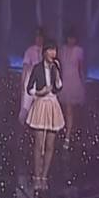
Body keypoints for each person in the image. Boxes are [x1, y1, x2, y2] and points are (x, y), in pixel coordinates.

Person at [26, 40, 65, 190]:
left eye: (54, 50)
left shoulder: (56, 67)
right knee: (39, 144)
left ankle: (44, 176)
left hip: (53, 105)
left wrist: (57, 72)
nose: (53, 53)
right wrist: (39, 92)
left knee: (50, 145)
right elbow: (29, 88)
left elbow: (59, 87)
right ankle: (36, 176)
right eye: (50, 50)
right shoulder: (37, 68)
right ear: (44, 52)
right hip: (41, 105)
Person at [59, 29, 86, 149]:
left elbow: (80, 68)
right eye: (69, 38)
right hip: (64, 82)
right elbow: (59, 66)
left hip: (74, 82)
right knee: (66, 110)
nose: (71, 40)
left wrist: (83, 83)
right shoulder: (62, 49)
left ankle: (68, 136)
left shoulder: (79, 51)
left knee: (70, 109)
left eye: (73, 38)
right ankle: (68, 131)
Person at [19, 27, 46, 124]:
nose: (39, 39)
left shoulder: (46, 50)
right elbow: (25, 67)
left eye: (41, 37)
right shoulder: (30, 51)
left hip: (42, 80)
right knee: (25, 105)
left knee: (40, 106)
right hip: (30, 80)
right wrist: (22, 82)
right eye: (37, 37)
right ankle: (22, 125)